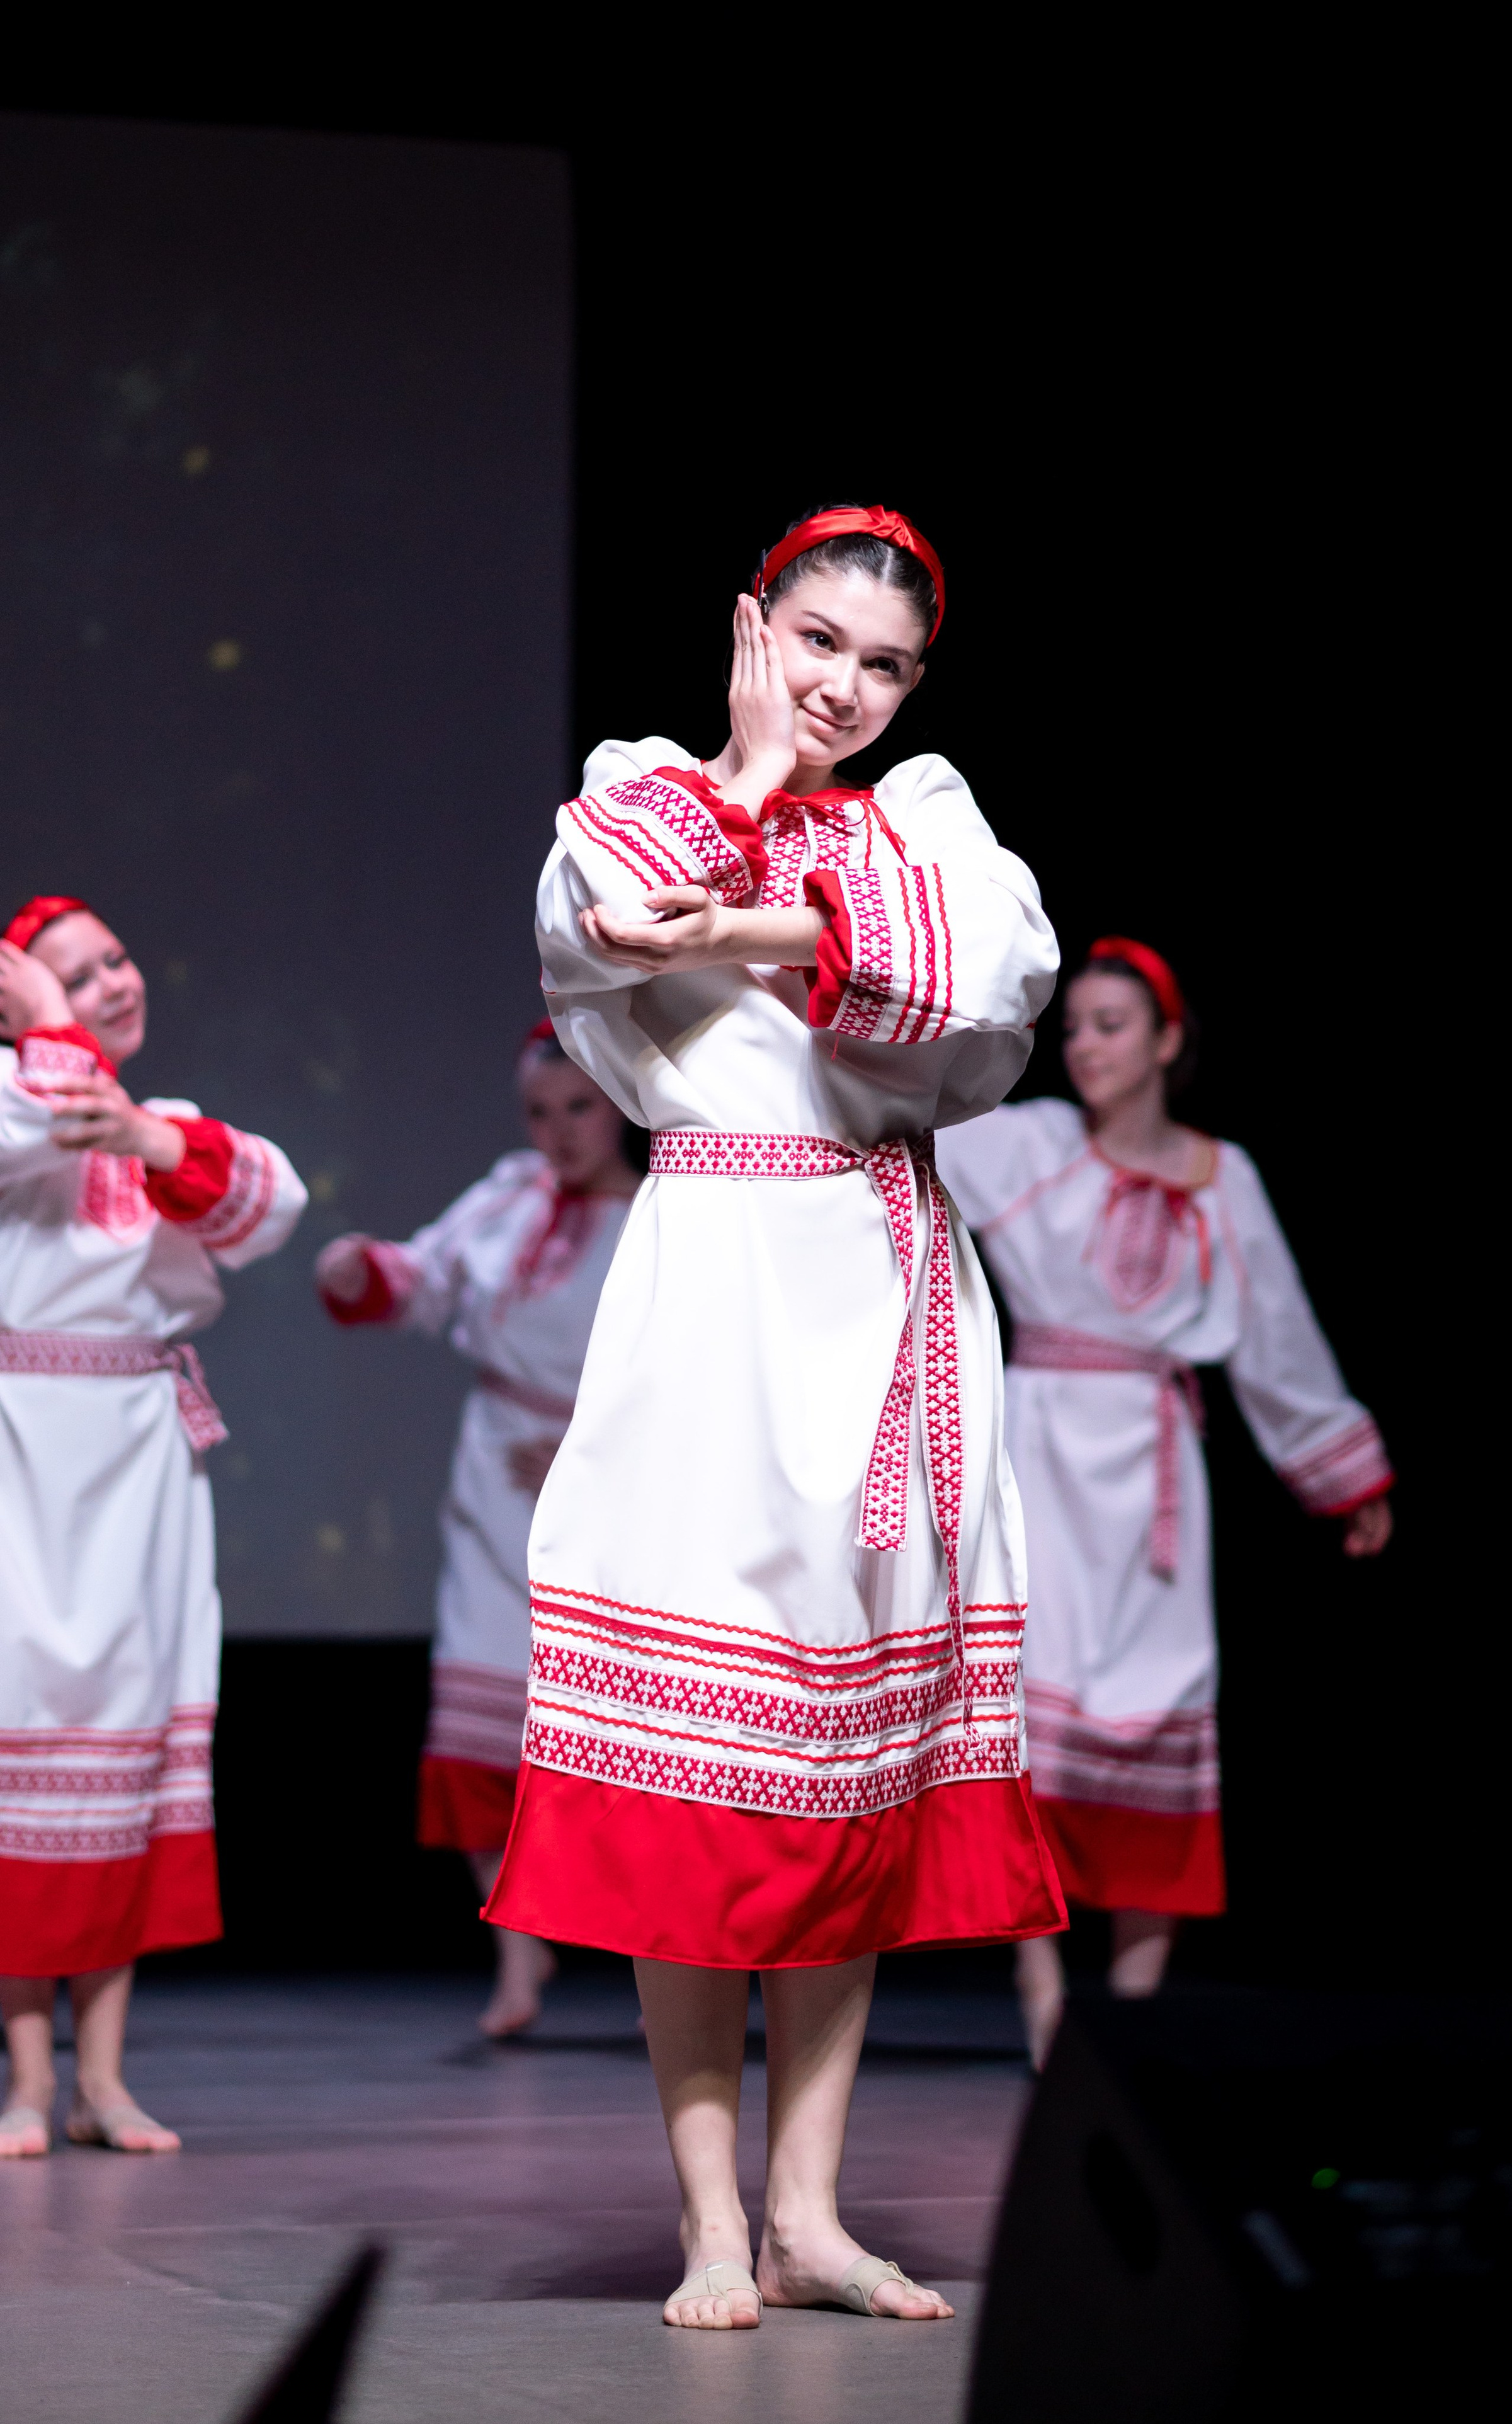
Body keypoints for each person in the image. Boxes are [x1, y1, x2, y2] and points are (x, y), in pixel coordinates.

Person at [482, 503, 1065, 2328]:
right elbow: (599, 930)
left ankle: (811, 2209)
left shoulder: (933, 825)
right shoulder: (643, 781)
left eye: (883, 663)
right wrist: (740, 797)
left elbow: (973, 1007)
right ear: (755, 627)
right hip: (723, 1292)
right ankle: (713, 2219)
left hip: (883, 1290)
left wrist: (744, 919)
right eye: (816, 641)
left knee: (854, 1775)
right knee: (699, 1771)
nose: (845, 687)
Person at [936, 938, 1393, 2054]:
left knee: (1155, 1705)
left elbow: (1277, 1332)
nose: (1087, 1045)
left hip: (1149, 1468)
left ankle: (1129, 2023)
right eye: (1077, 1026)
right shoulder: (1035, 1145)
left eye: (1112, 1026)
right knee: (1026, 1711)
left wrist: (1340, 1470)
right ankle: (1044, 1988)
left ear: (1168, 1042)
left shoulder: (1220, 1176)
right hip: (1040, 1447)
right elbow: (910, 1098)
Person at [0, 895, 306, 2155]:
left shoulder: (162, 1125)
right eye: (71, 977)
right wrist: (50, 1042)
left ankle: (106, 2077)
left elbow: (267, 1205)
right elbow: (34, 1129)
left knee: (126, 1746)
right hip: (22, 1450)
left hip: (137, 1460)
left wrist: (142, 1132)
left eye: (115, 960)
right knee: (28, 1732)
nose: (110, 984)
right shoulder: (16, 1106)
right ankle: (27, 2077)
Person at [315, 1024, 639, 2035]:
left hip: (620, 1498)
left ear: (619, 1104)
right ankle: (517, 1956)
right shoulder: (507, 1194)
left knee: (629, 1746)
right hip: (497, 1483)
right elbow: (426, 1278)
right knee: (479, 1725)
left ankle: (660, 1965)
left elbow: (691, 1370)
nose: (558, 1132)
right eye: (540, 1113)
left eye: (578, 1107)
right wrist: (359, 1270)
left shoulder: (667, 1215)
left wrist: (589, 1451)